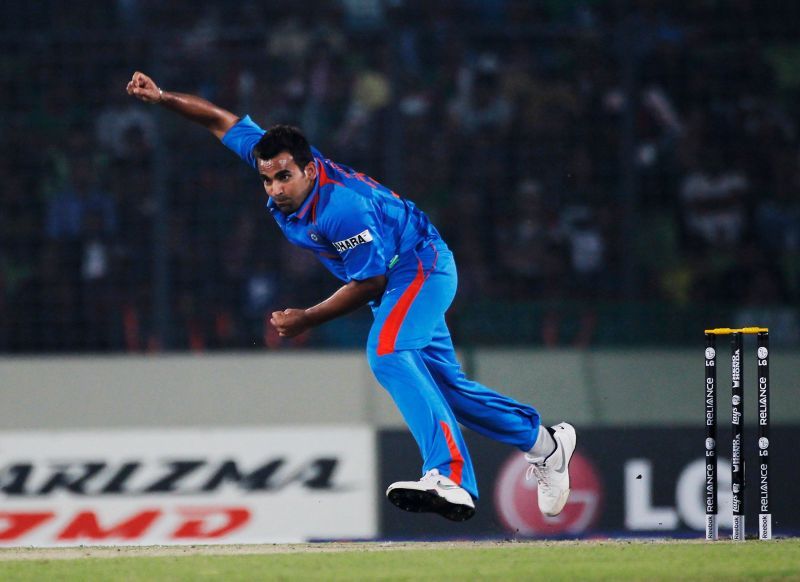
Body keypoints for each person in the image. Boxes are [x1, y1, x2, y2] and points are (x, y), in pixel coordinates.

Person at [126, 71, 576, 522]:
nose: (276, 189)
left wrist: (306, 319)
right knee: (449, 390)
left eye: (284, 177)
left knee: (386, 352)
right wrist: (162, 97)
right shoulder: (278, 162)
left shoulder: (343, 208)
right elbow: (220, 121)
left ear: (307, 168)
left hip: (419, 265)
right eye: (267, 180)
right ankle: (546, 445)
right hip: (401, 276)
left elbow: (371, 284)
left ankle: (450, 476)